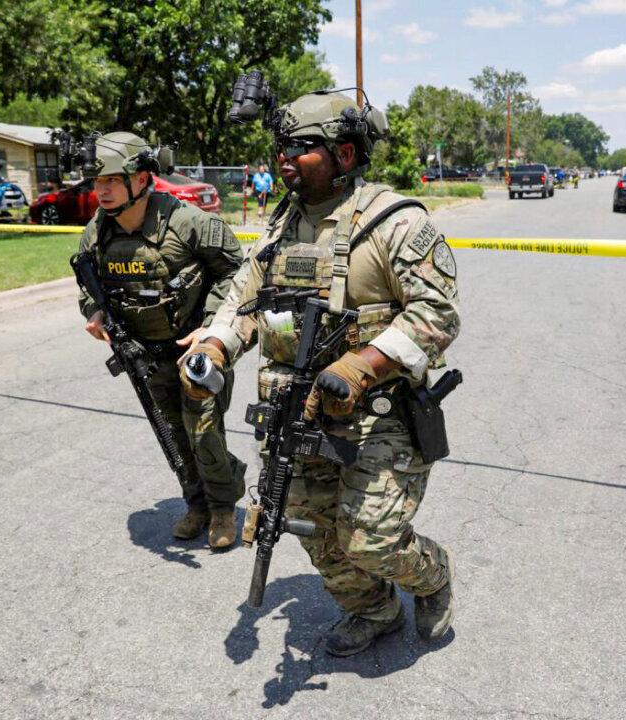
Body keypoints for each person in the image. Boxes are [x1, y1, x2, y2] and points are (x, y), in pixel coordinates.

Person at [182, 91, 461, 656]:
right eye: (281, 147)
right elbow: (244, 302)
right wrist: (212, 348)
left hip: (381, 418)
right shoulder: (281, 225)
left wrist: (363, 365)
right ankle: (374, 610)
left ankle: (432, 577)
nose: (285, 158)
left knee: (371, 539)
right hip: (297, 414)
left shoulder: (395, 221)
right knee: (313, 528)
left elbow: (437, 313)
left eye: (302, 147)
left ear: (346, 153)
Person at [75, 131, 247, 548]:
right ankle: (197, 504)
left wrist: (211, 326)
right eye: (98, 182)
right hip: (145, 355)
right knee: (170, 432)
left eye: (112, 180)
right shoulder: (97, 233)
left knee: (203, 431)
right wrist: (93, 312)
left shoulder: (188, 222)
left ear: (141, 178)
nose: (103, 191)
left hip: (196, 350)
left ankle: (223, 508)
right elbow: (86, 284)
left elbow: (236, 272)